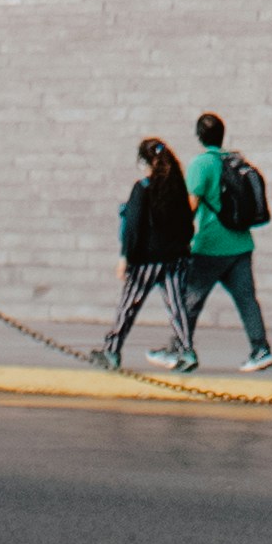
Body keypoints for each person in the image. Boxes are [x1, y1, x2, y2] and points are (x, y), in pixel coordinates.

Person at [181, 109, 272, 369]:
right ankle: (261, 349)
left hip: (211, 245)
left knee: (189, 300)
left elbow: (190, 205)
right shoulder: (236, 161)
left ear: (199, 136)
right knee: (247, 300)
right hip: (241, 244)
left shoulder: (201, 164)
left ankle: (180, 349)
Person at [93, 137, 196, 370]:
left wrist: (124, 257)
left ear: (144, 162)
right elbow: (188, 224)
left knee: (128, 305)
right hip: (175, 258)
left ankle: (111, 351)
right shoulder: (177, 188)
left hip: (146, 261)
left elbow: (132, 227)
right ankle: (186, 351)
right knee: (176, 306)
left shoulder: (142, 189)